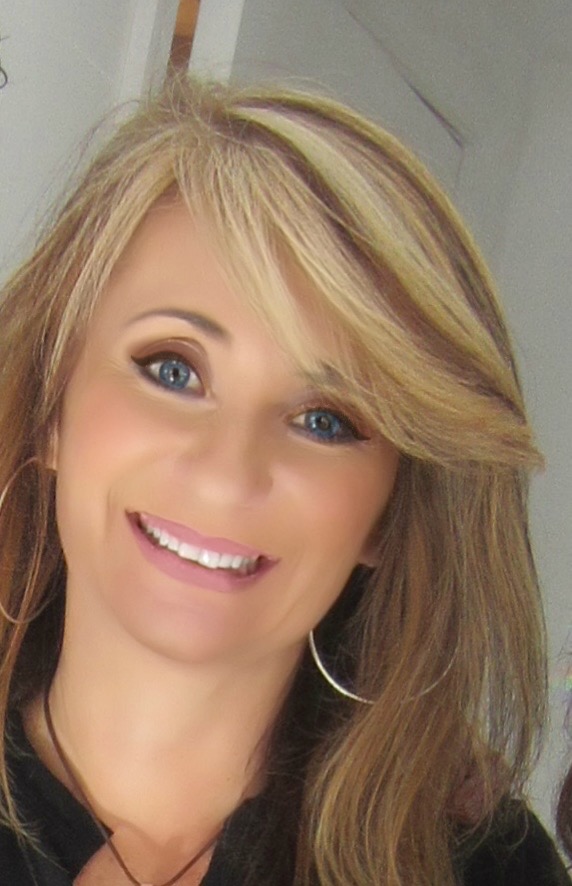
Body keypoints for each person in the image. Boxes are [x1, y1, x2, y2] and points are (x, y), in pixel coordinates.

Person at [0, 76, 567, 886]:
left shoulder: (486, 868)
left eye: (325, 420)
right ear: (53, 400)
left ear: (389, 515)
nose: (227, 471)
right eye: (172, 369)